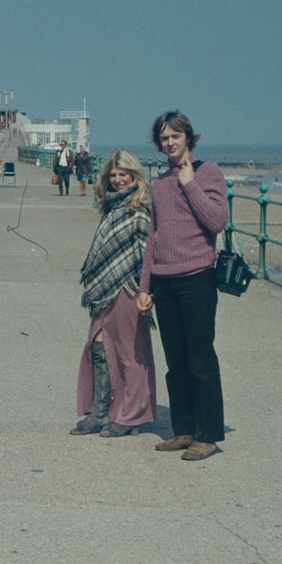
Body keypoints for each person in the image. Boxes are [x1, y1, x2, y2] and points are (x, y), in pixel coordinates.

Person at [137, 110, 229, 461]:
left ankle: (208, 435)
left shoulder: (208, 172)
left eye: (176, 135)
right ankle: (184, 429)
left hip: (197, 278)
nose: (170, 142)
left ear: (188, 137)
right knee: (175, 361)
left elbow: (217, 220)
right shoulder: (159, 183)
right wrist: (145, 287)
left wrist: (190, 182)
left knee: (201, 359)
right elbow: (152, 238)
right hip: (164, 282)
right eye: (164, 138)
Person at [71, 149, 157, 437]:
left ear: (135, 176)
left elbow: (147, 253)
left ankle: (130, 415)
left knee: (128, 354)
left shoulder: (140, 206)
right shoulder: (110, 205)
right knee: (97, 345)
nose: (119, 180)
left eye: (124, 175)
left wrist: (145, 290)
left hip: (128, 288)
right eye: (114, 175)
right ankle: (100, 413)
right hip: (106, 289)